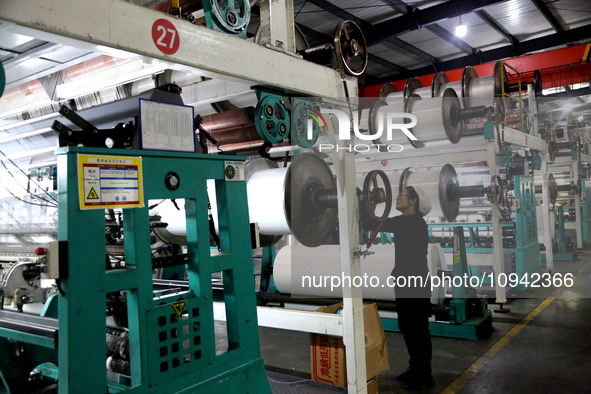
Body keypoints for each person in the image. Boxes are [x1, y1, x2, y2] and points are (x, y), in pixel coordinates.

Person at [380, 185, 434, 391]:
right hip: (406, 282)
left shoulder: (412, 223)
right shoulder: (408, 222)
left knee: (417, 330)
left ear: (413, 201)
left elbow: (376, 223)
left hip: (414, 283)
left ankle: (424, 376)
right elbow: (376, 223)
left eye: (403, 195)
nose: (398, 198)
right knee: (409, 328)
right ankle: (416, 368)